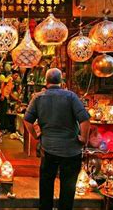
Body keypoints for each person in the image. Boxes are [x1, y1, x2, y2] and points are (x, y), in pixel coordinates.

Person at [23, 68, 90, 210]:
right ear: (61, 81)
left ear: (46, 81)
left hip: (49, 149)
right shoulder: (71, 97)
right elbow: (84, 120)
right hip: (71, 151)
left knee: (46, 185)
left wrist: (36, 136)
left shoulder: (38, 98)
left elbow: (27, 121)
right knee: (68, 187)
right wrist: (83, 138)